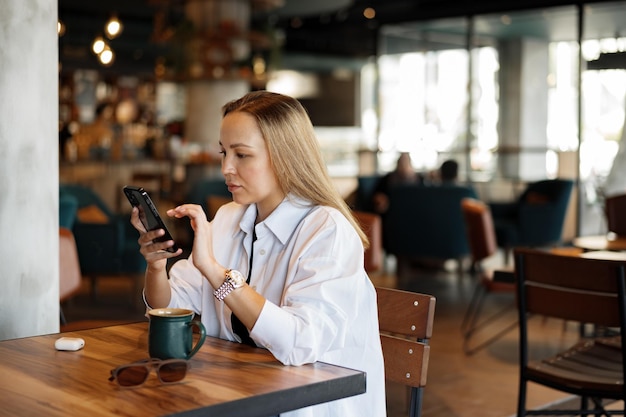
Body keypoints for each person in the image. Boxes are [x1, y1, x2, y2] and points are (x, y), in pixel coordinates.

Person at [131, 91, 386, 417]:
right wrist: (156, 266)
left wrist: (213, 270)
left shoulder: (327, 230)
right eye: (224, 152)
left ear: (284, 156)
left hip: (308, 408)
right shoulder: (228, 217)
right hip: (238, 396)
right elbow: (167, 306)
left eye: (242, 155)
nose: (226, 168)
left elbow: (299, 342)